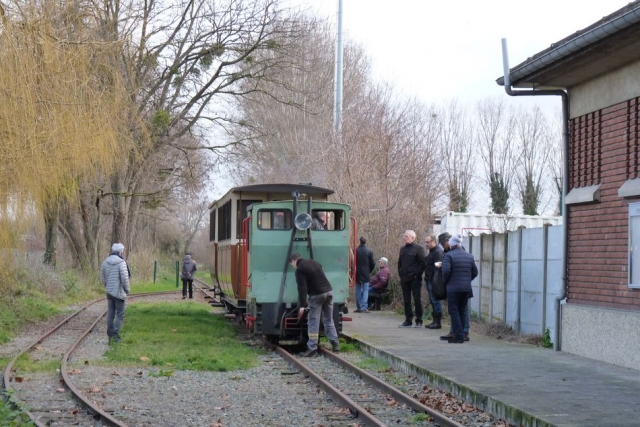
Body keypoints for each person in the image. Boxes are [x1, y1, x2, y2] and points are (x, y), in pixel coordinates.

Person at [289, 253, 340, 357]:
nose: (293, 266)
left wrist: (302, 306)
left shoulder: (300, 269)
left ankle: (312, 348)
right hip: (329, 292)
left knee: (313, 321)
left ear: (294, 261)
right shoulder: (315, 263)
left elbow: (302, 288)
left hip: (317, 295)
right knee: (328, 319)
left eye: (292, 264)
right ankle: (335, 344)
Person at [441, 233, 478, 344]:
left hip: (453, 288)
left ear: (451, 244)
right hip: (466, 288)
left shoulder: (449, 255)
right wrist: (467, 280)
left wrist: (446, 282)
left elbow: (446, 271)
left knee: (453, 310)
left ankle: (458, 336)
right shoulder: (469, 256)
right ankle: (462, 333)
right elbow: (475, 272)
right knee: (462, 310)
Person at [100, 243, 131, 343]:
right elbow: (125, 278)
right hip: (119, 292)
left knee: (111, 313)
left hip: (109, 292)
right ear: (120, 252)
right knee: (120, 314)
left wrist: (107, 286)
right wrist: (127, 290)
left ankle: (110, 333)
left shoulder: (105, 262)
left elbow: (102, 277)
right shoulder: (121, 263)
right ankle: (115, 335)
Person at [397, 230, 426, 327]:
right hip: (404, 278)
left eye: (406, 236)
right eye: (404, 236)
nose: (404, 238)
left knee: (417, 300)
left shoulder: (419, 248)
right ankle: (408, 320)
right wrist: (400, 274)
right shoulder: (402, 249)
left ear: (413, 238)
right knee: (406, 300)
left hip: (415, 279)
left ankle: (419, 320)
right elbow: (400, 263)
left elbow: (422, 263)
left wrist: (417, 275)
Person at [424, 233, 446, 329]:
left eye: (428, 242)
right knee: (433, 301)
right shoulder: (432, 251)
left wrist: (435, 280)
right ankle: (435, 321)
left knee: (435, 301)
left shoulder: (438, 252)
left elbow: (438, 267)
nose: (426, 244)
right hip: (430, 279)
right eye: (425, 242)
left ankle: (437, 322)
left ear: (434, 241)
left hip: (434, 281)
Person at [355, 236, 375, 313]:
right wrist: (369, 270)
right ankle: (364, 307)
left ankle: (359, 307)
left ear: (360, 241)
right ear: (366, 242)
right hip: (366, 273)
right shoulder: (369, 251)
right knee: (365, 290)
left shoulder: (356, 250)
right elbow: (373, 263)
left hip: (357, 273)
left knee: (358, 290)